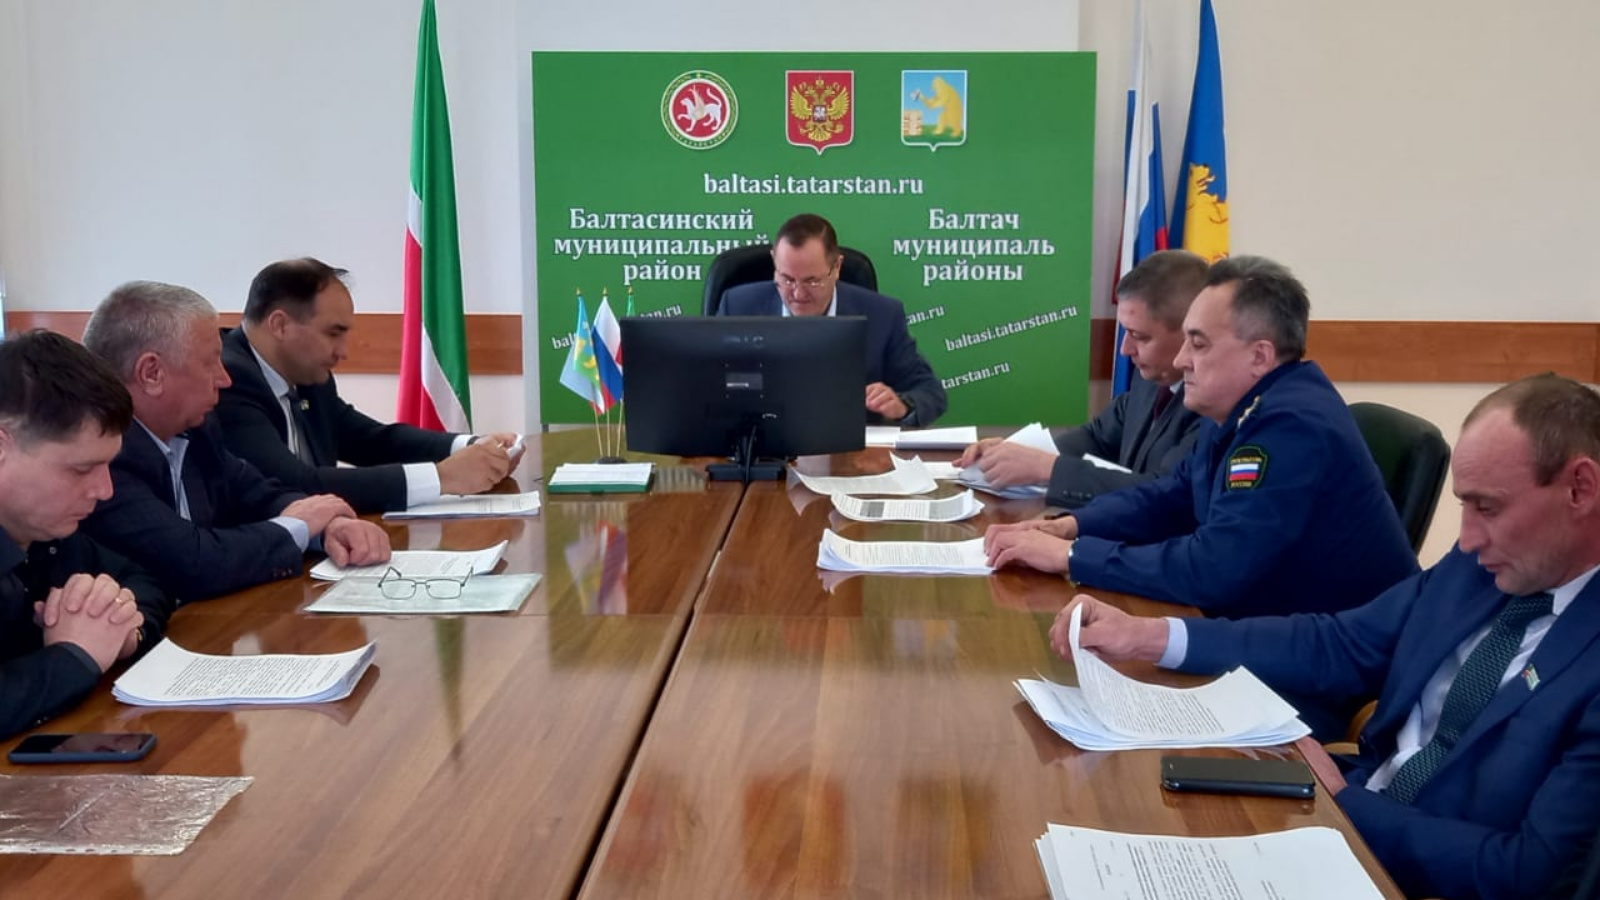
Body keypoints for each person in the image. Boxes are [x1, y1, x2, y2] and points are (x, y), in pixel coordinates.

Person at [1052, 374, 1600, 900]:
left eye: (1489, 507)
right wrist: (1150, 636)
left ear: (1580, 488)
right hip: (1335, 821)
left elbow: (1529, 874)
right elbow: (1337, 643)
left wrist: (1346, 803)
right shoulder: (1481, 568)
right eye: (1464, 505)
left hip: (1413, 869)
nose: (1468, 538)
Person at [984, 255, 1417, 618]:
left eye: (1199, 344)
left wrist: (1072, 557)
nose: (1180, 360)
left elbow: (1214, 569)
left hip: (1333, 657)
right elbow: (1171, 495)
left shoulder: (1292, 427)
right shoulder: (1235, 406)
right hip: (1269, 626)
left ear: (1259, 356)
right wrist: (1071, 527)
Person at [81, 282, 391, 604]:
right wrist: (300, 525)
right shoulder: (102, 456)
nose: (224, 379)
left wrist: (328, 526)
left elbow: (258, 494)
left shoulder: (196, 429)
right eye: (210, 362)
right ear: (152, 373)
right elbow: (195, 562)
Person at [215, 258, 522, 514]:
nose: (343, 351)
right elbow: (296, 485)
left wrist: (472, 447)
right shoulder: (227, 379)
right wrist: (442, 477)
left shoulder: (306, 374)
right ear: (280, 325)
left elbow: (371, 441)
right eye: (333, 333)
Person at [0, 331, 169, 738]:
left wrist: (122, 628)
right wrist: (76, 656)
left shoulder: (46, 530)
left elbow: (145, 579)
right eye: (81, 470)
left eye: (108, 466)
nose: (105, 490)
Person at [955, 250, 1207, 508]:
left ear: (1190, 333)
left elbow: (1164, 493)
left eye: (1140, 336)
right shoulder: (1151, 377)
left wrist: (1049, 468)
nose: (1125, 349)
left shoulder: (1212, 402)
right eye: (1125, 332)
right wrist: (1014, 452)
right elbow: (1098, 437)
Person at [715, 213, 947, 426]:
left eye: (812, 281)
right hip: (758, 444)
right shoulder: (737, 306)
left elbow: (930, 391)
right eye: (787, 279)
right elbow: (708, 383)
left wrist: (902, 405)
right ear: (774, 261)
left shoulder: (883, 315)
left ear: (836, 267)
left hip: (850, 451)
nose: (798, 293)